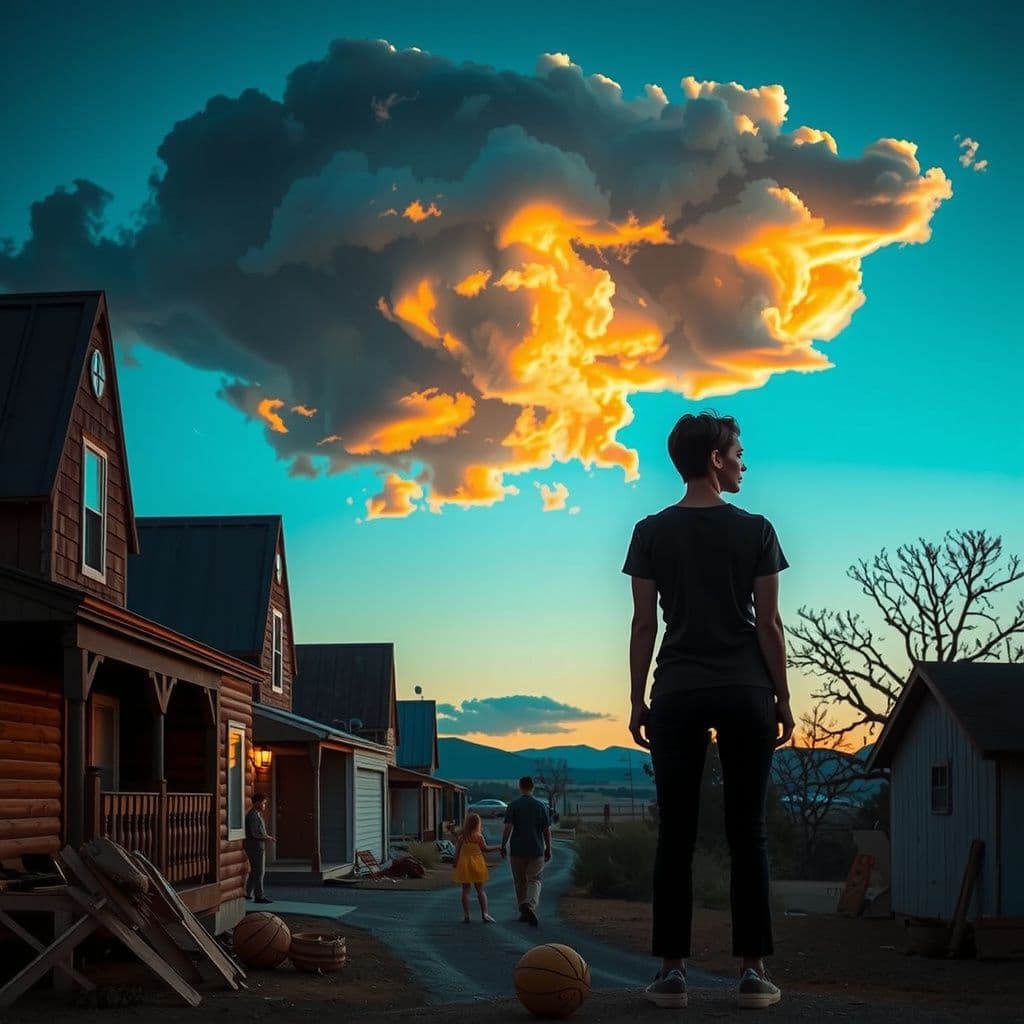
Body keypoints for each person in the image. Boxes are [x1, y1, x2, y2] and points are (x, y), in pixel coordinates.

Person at [622, 411, 795, 1010]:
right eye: (739, 454)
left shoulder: (650, 531)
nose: (745, 463)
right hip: (746, 689)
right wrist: (783, 697)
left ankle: (672, 975)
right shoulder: (757, 530)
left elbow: (644, 624)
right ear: (716, 460)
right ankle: (752, 974)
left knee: (676, 834)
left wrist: (638, 699)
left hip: (677, 689)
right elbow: (769, 625)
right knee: (748, 833)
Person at [500, 776, 552, 926]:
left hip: (517, 850)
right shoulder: (541, 806)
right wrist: (548, 848)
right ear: (532, 787)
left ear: (520, 786)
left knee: (520, 881)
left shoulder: (513, 805)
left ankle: (523, 910)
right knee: (534, 879)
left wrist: (503, 845)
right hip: (536, 849)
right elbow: (546, 830)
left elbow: (508, 827)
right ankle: (530, 904)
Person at [452, 812, 501, 923]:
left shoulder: (462, 838)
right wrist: (497, 847)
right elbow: (485, 849)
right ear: (478, 824)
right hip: (477, 864)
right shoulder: (479, 837)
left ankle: (466, 914)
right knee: (480, 890)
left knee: (466, 891)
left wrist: (455, 863)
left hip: (465, 864)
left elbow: (457, 852)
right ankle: (484, 913)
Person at [244, 793, 275, 904]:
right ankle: (259, 896)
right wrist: (267, 837)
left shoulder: (257, 815)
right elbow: (254, 833)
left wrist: (266, 836)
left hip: (258, 846)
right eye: (263, 803)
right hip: (254, 847)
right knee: (259, 871)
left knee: (254, 871)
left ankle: (248, 893)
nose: (264, 805)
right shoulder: (252, 816)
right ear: (257, 803)